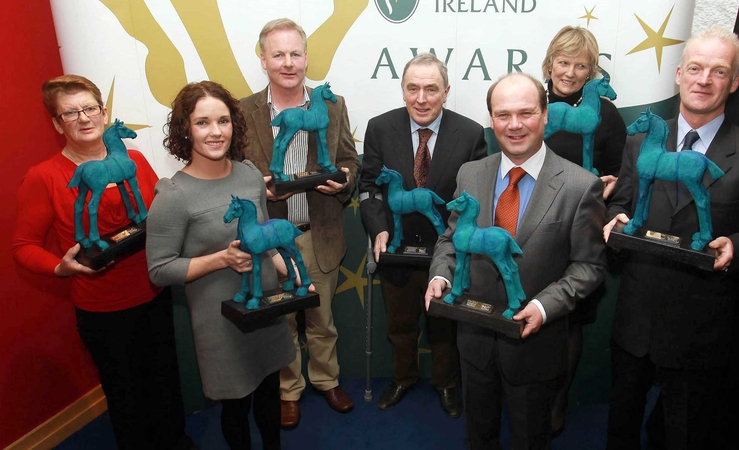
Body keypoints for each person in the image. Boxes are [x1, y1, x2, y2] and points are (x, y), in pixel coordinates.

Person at [603, 28, 739, 450]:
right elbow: (622, 205)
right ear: (680, 75)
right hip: (635, 322)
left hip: (701, 329)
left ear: (735, 82)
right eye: (696, 69)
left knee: (684, 435)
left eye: (718, 71)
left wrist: (737, 246)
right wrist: (614, 218)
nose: (704, 80)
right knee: (620, 431)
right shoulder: (636, 143)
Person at [425, 73, 607, 449]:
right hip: (473, 342)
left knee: (530, 439)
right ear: (491, 119)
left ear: (545, 115)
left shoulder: (580, 184)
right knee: (479, 437)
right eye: (503, 114)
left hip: (535, 347)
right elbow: (449, 240)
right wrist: (440, 275)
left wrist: (544, 305)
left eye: (525, 113)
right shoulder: (470, 173)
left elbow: (589, 266)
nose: (514, 125)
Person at [11, 75, 192, 450]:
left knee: (165, 383)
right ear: (57, 123)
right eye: (70, 112)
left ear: (104, 112)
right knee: (126, 397)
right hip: (102, 308)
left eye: (89, 108)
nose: (83, 118)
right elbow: (23, 246)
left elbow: (160, 214)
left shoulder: (136, 159)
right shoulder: (44, 177)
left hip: (153, 292)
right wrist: (60, 267)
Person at [147, 81, 296, 450]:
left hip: (265, 309)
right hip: (220, 325)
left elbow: (265, 244)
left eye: (223, 121)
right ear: (185, 130)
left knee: (269, 396)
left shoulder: (249, 175)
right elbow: (159, 270)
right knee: (235, 409)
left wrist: (291, 274)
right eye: (202, 123)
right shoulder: (173, 195)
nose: (215, 132)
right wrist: (221, 259)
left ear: (235, 125)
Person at [239, 18, 361, 428]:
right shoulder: (241, 111)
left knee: (322, 320)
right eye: (278, 55)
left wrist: (343, 181)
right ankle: (288, 390)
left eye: (295, 54)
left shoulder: (333, 105)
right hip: (271, 239)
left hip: (318, 234)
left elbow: (349, 159)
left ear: (307, 58)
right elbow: (234, 173)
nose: (288, 63)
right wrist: (262, 189)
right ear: (263, 60)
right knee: (281, 321)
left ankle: (326, 380)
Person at [359, 53, 487, 417]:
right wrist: (378, 226)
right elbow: (368, 187)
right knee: (399, 325)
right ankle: (403, 377)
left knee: (445, 327)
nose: (421, 98)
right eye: (413, 88)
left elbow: (474, 196)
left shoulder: (471, 133)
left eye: (431, 89)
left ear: (446, 92)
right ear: (402, 90)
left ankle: (447, 384)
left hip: (445, 256)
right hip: (395, 253)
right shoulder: (380, 128)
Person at [540, 25, 627, 434]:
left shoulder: (606, 115)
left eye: (580, 65)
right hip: (530, 227)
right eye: (563, 62)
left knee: (569, 321)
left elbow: (620, 172)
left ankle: (558, 402)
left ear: (591, 71)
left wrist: (609, 185)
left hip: (581, 230)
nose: (570, 72)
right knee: (528, 307)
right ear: (550, 63)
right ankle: (526, 396)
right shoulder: (532, 102)